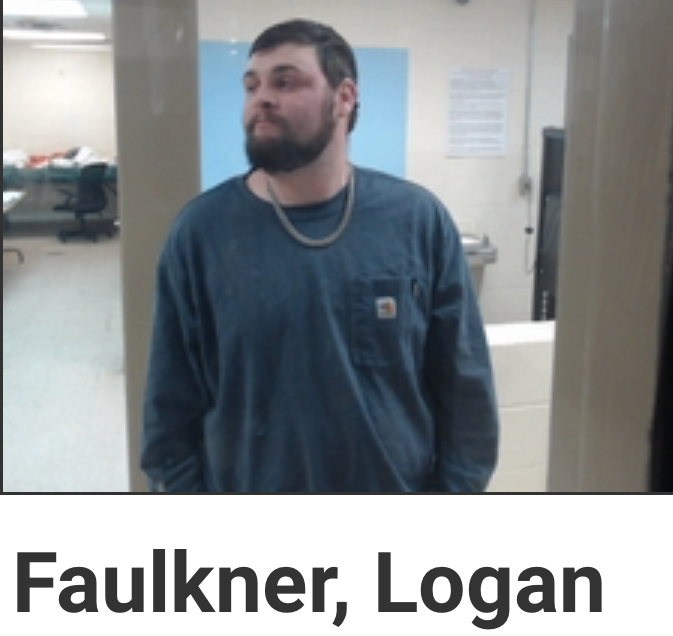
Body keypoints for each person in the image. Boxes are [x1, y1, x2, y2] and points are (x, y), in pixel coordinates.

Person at [140, 18, 498, 492]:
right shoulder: (201, 233)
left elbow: (465, 389)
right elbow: (169, 410)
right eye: (252, 85)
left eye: (285, 82)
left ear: (344, 97)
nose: (262, 98)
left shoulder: (416, 221)